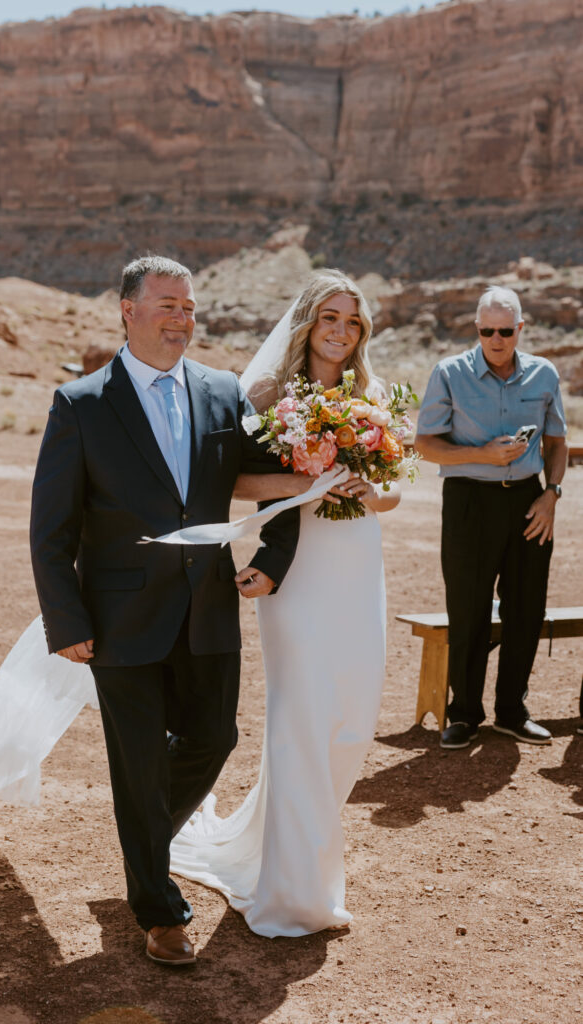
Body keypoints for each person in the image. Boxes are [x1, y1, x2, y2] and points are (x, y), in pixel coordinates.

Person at [29, 255, 301, 966]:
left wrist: (274, 558)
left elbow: (276, 480)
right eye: (167, 304)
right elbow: (50, 531)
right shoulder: (80, 404)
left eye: (188, 306)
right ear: (128, 309)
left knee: (215, 739)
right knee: (139, 764)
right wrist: (68, 621)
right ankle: (159, 911)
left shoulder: (222, 392)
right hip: (118, 619)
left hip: (209, 607)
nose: (181, 318)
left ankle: (143, 844)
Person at [167, 269, 401, 937]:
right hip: (294, 573)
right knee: (302, 716)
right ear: (306, 321)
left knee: (352, 718)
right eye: (330, 317)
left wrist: (362, 487)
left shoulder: (371, 395)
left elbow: (393, 492)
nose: (340, 330)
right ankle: (294, 890)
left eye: (352, 321)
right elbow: (230, 481)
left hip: (356, 564)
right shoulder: (267, 393)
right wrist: (307, 481)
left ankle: (289, 852)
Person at [415, 285, 568, 751]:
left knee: (527, 608)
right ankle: (464, 715)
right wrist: (481, 452)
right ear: (476, 329)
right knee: (469, 609)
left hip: (528, 501)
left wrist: (551, 495)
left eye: (505, 330)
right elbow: (425, 442)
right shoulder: (449, 373)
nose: (496, 339)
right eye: (487, 331)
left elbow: (557, 442)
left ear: (521, 328)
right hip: (469, 500)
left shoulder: (544, 374)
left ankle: (511, 712)